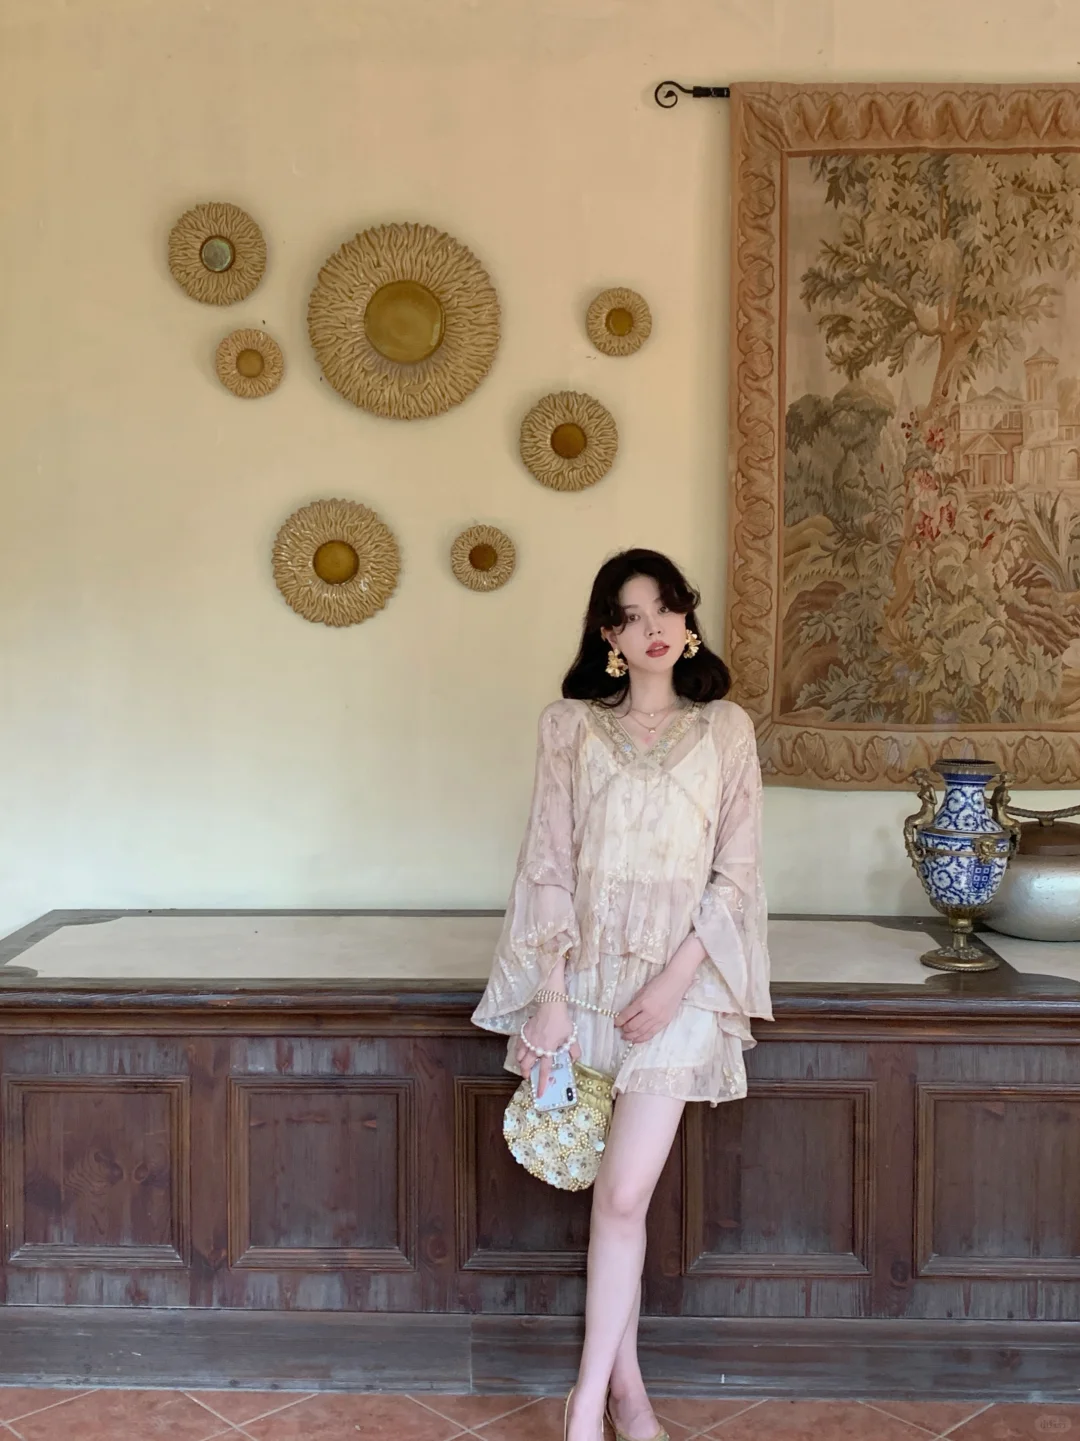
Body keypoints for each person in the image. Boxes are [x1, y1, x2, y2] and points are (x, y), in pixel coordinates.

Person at [472, 548, 772, 1441]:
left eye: (668, 608)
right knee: (616, 1204)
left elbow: (737, 876)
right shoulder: (569, 727)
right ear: (609, 634)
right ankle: (626, 1396)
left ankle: (580, 1405)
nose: (655, 628)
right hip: (584, 987)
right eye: (633, 616)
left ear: (688, 619)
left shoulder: (726, 730)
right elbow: (548, 866)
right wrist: (551, 995)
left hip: (677, 994)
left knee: (623, 1198)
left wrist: (676, 980)